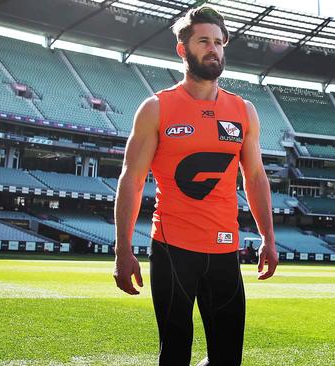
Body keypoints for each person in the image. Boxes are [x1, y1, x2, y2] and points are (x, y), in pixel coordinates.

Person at [112, 5, 278, 365]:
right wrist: (122, 249)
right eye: (204, 40)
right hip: (173, 251)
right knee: (174, 354)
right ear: (182, 49)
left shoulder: (243, 110)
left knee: (228, 356)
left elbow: (255, 177)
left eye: (219, 42)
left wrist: (268, 237)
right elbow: (131, 179)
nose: (214, 48)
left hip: (224, 251)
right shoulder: (156, 107)